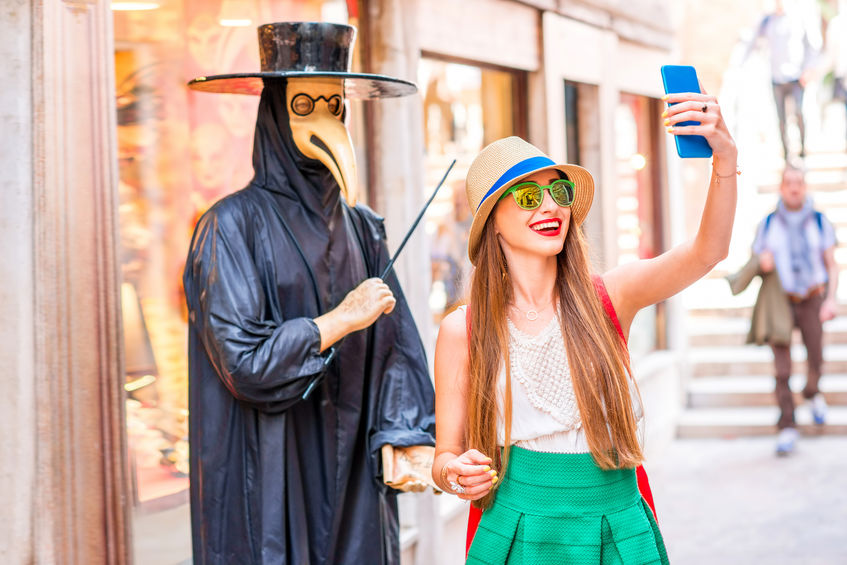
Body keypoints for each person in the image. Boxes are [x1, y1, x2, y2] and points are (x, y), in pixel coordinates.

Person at [431, 88, 738, 563]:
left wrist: (725, 158)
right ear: (492, 222)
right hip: (517, 528)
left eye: (560, 191)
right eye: (529, 196)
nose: (550, 206)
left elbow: (708, 251)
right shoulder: (463, 330)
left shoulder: (611, 297)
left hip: (615, 524)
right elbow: (444, 454)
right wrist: (456, 471)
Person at [183, 23, 435, 564]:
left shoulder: (363, 228)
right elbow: (245, 363)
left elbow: (396, 344)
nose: (324, 118)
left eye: (334, 104)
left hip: (354, 485)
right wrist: (339, 320)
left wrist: (404, 430)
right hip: (271, 471)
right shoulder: (230, 226)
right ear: (277, 112)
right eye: (306, 103)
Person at [751, 166, 838, 455]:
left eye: (799, 183)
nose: (794, 188)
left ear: (805, 187)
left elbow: (831, 264)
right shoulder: (768, 224)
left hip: (812, 296)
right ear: (781, 188)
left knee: (816, 356)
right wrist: (762, 261)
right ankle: (787, 425)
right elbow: (756, 260)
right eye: (788, 183)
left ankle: (812, 393)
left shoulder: (819, 221)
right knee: (782, 369)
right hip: (781, 300)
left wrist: (830, 299)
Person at [743, 0, 821, 160]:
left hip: (796, 76)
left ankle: (802, 150)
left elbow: (812, 47)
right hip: (776, 77)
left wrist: (808, 70)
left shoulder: (799, 18)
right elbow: (753, 41)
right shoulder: (767, 21)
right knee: (781, 118)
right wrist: (740, 64)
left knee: (799, 112)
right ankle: (786, 154)